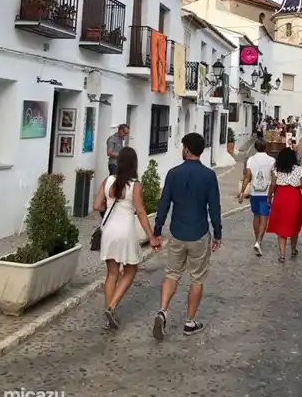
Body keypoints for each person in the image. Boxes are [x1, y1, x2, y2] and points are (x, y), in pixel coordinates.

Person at [152, 133, 222, 340]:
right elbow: (214, 208)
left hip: (177, 232)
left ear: (188, 149)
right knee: (197, 278)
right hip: (199, 233)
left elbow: (164, 204)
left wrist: (157, 231)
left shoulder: (173, 174)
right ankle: (189, 322)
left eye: (183, 146)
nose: (181, 149)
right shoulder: (209, 176)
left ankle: (163, 311)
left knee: (172, 273)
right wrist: (218, 233)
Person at [93, 147, 160, 330]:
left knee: (112, 273)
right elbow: (140, 212)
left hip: (108, 231)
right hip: (125, 231)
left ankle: (109, 313)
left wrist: (109, 206)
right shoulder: (135, 185)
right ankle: (112, 306)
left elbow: (96, 205)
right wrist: (151, 237)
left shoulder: (107, 181)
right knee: (130, 270)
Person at [267, 147, 302, 263]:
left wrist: (269, 197)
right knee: (294, 224)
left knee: (281, 226)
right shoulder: (300, 170)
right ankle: (293, 249)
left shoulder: (277, 169)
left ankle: (282, 255)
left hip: (280, 197)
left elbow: (273, 185)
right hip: (294, 197)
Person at [238, 139, 275, 256]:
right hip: (266, 193)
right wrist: (273, 192)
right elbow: (274, 180)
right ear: (266, 147)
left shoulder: (251, 160)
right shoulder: (271, 160)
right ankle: (259, 241)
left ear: (255, 147)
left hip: (254, 192)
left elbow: (247, 177)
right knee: (264, 219)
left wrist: (242, 192)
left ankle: (257, 240)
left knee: (256, 217)